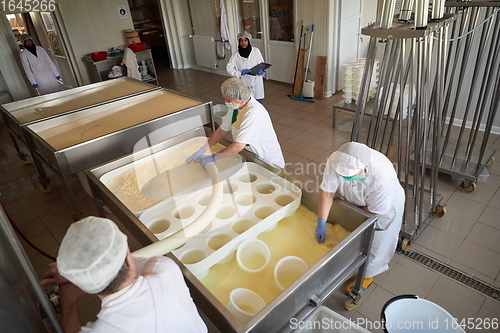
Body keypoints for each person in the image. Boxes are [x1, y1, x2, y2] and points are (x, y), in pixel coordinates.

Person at [41, 216, 207, 333]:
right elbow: (115, 264)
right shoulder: (164, 270)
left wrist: (68, 296)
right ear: (128, 260)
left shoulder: (105, 329)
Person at [316, 142, 405, 293]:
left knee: (377, 242)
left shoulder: (380, 175)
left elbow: (374, 212)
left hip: (383, 207)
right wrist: (321, 221)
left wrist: (351, 214)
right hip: (357, 198)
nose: (345, 178)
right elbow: (327, 192)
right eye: (343, 175)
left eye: (351, 176)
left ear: (364, 168)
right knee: (355, 236)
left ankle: (368, 274)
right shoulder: (335, 159)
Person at [186, 78, 284, 169]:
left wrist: (212, 158)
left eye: (227, 99)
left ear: (237, 98)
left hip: (265, 158)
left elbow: (238, 146)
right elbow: (221, 131)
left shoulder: (253, 113)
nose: (225, 101)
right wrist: (203, 149)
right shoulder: (235, 107)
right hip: (250, 154)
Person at [226, 31, 266, 103]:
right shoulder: (236, 55)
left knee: (257, 104)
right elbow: (229, 67)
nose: (243, 43)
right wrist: (239, 73)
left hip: (256, 82)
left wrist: (261, 72)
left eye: (245, 40)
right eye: (241, 40)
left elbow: (261, 64)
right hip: (244, 82)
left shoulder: (256, 51)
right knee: (245, 104)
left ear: (249, 41)